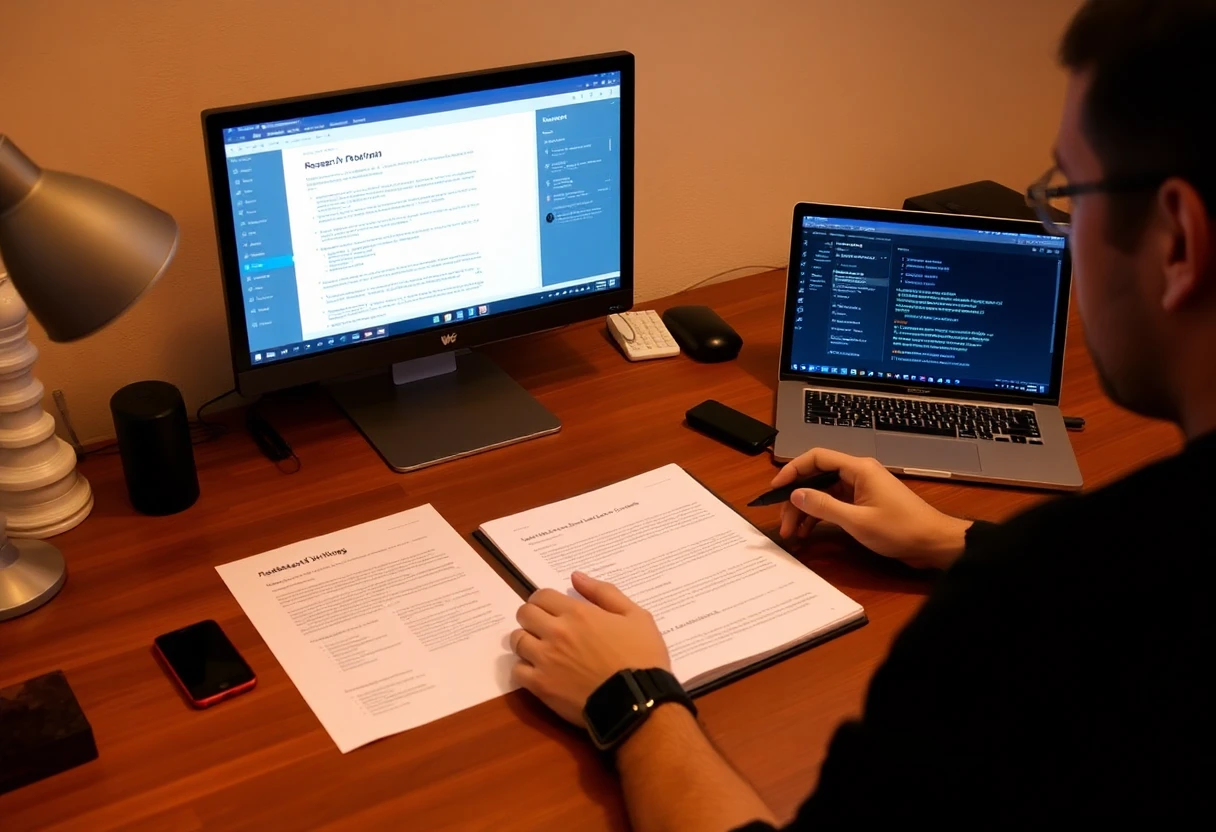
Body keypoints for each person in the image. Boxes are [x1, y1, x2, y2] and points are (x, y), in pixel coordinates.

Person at [507, 0, 1216, 826]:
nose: (1060, 224)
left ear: (1176, 241)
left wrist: (632, 700)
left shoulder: (1029, 624)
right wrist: (953, 539)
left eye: (1068, 194)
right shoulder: (1070, 581)